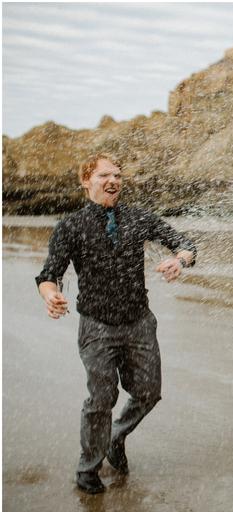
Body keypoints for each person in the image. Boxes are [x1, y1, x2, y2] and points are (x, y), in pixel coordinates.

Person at [36, 153, 197, 494]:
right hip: (97, 326)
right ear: (86, 180)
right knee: (102, 397)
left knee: (149, 393)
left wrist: (179, 260)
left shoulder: (138, 218)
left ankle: (115, 437)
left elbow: (184, 243)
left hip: (139, 321)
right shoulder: (71, 226)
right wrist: (50, 296)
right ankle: (88, 469)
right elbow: (49, 275)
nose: (113, 181)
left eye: (118, 176)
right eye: (104, 175)